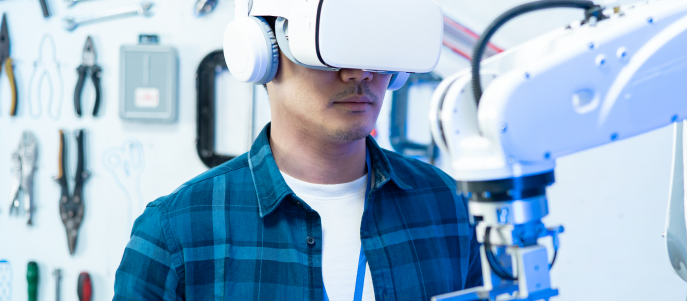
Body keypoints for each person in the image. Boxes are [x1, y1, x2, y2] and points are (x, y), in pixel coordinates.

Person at [112, 16, 482, 301]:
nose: (360, 73)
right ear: (262, 51)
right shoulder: (175, 230)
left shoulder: (449, 204)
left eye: (376, 45)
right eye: (329, 46)